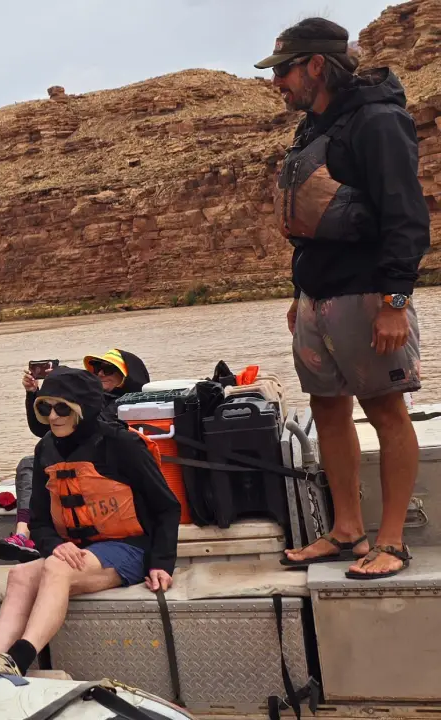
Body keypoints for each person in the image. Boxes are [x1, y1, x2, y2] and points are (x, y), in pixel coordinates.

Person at [257, 18, 429, 580]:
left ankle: (393, 542)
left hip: (368, 293)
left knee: (384, 408)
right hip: (317, 295)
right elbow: (307, 216)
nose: (276, 81)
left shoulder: (378, 120)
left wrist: (395, 300)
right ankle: (346, 529)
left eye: (283, 70)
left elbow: (405, 213)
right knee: (328, 409)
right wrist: (299, 292)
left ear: (315, 65)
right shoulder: (313, 126)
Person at [0, 367, 181, 677]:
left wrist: (161, 563)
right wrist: (56, 545)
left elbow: (167, 507)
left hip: (130, 550)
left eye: (62, 407)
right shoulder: (45, 449)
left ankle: (18, 660)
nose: (52, 416)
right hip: (79, 552)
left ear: (84, 409)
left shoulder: (122, 445)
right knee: (21, 574)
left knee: (55, 567)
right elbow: (38, 521)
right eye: (44, 407)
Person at [0, 349, 152, 561]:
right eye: (96, 369)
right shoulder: (87, 398)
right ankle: (23, 533)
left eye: (108, 369)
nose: (100, 374)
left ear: (126, 375)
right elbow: (43, 429)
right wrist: (35, 393)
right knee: (29, 463)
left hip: (108, 470)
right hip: (71, 463)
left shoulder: (135, 405)